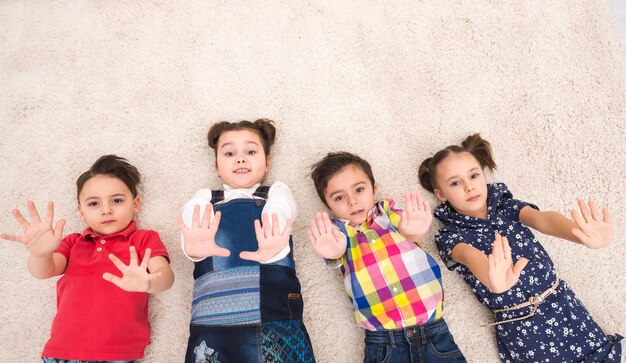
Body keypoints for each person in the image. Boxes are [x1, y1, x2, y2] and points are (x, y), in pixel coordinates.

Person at [418, 133, 624, 362]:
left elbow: (541, 219)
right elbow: (467, 256)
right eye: (455, 183)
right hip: (521, 326)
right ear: (440, 194)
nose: (469, 187)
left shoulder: (504, 204)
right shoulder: (450, 235)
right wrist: (493, 279)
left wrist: (579, 234)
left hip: (562, 305)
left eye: (474, 176)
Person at [1, 155, 174, 362]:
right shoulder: (73, 242)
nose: (106, 210)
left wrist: (148, 282)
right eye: (94, 203)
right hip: (61, 351)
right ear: (80, 211)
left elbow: (166, 277)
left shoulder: (143, 238)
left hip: (117, 353)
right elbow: (43, 271)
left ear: (135, 204)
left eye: (117, 200)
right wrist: (41, 254)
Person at [307, 151, 466, 363]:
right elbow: (335, 253)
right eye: (339, 197)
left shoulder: (388, 213)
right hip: (384, 343)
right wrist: (332, 252)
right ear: (329, 206)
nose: (352, 202)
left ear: (374, 188)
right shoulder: (338, 233)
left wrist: (414, 231)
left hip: (434, 332)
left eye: (359, 189)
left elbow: (408, 229)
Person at [178, 119, 315, 363]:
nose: (240, 159)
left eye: (251, 152)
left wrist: (275, 231)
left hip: (273, 313)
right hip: (212, 323)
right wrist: (193, 247)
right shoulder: (205, 197)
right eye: (229, 153)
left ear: (267, 162)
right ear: (217, 166)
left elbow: (284, 207)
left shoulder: (275, 192)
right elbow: (192, 219)